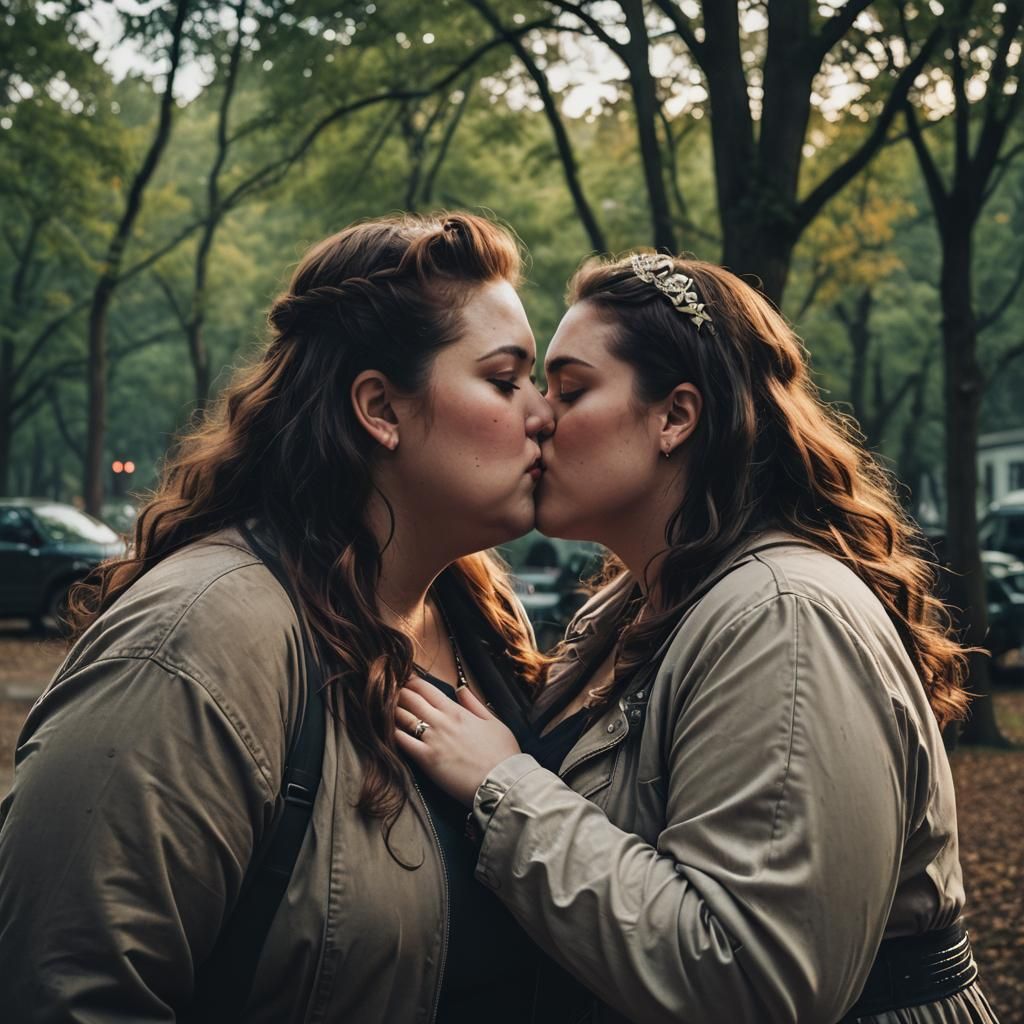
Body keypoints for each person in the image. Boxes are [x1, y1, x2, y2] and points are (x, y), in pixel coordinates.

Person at [396, 252, 1000, 1024]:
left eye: (572, 389)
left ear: (675, 417)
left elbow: (754, 980)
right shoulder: (629, 611)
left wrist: (503, 789)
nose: (540, 416)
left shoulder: (781, 616)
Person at [0, 213, 561, 1023]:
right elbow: (65, 988)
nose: (542, 414)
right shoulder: (194, 642)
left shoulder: (481, 616)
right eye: (506, 380)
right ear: (380, 408)